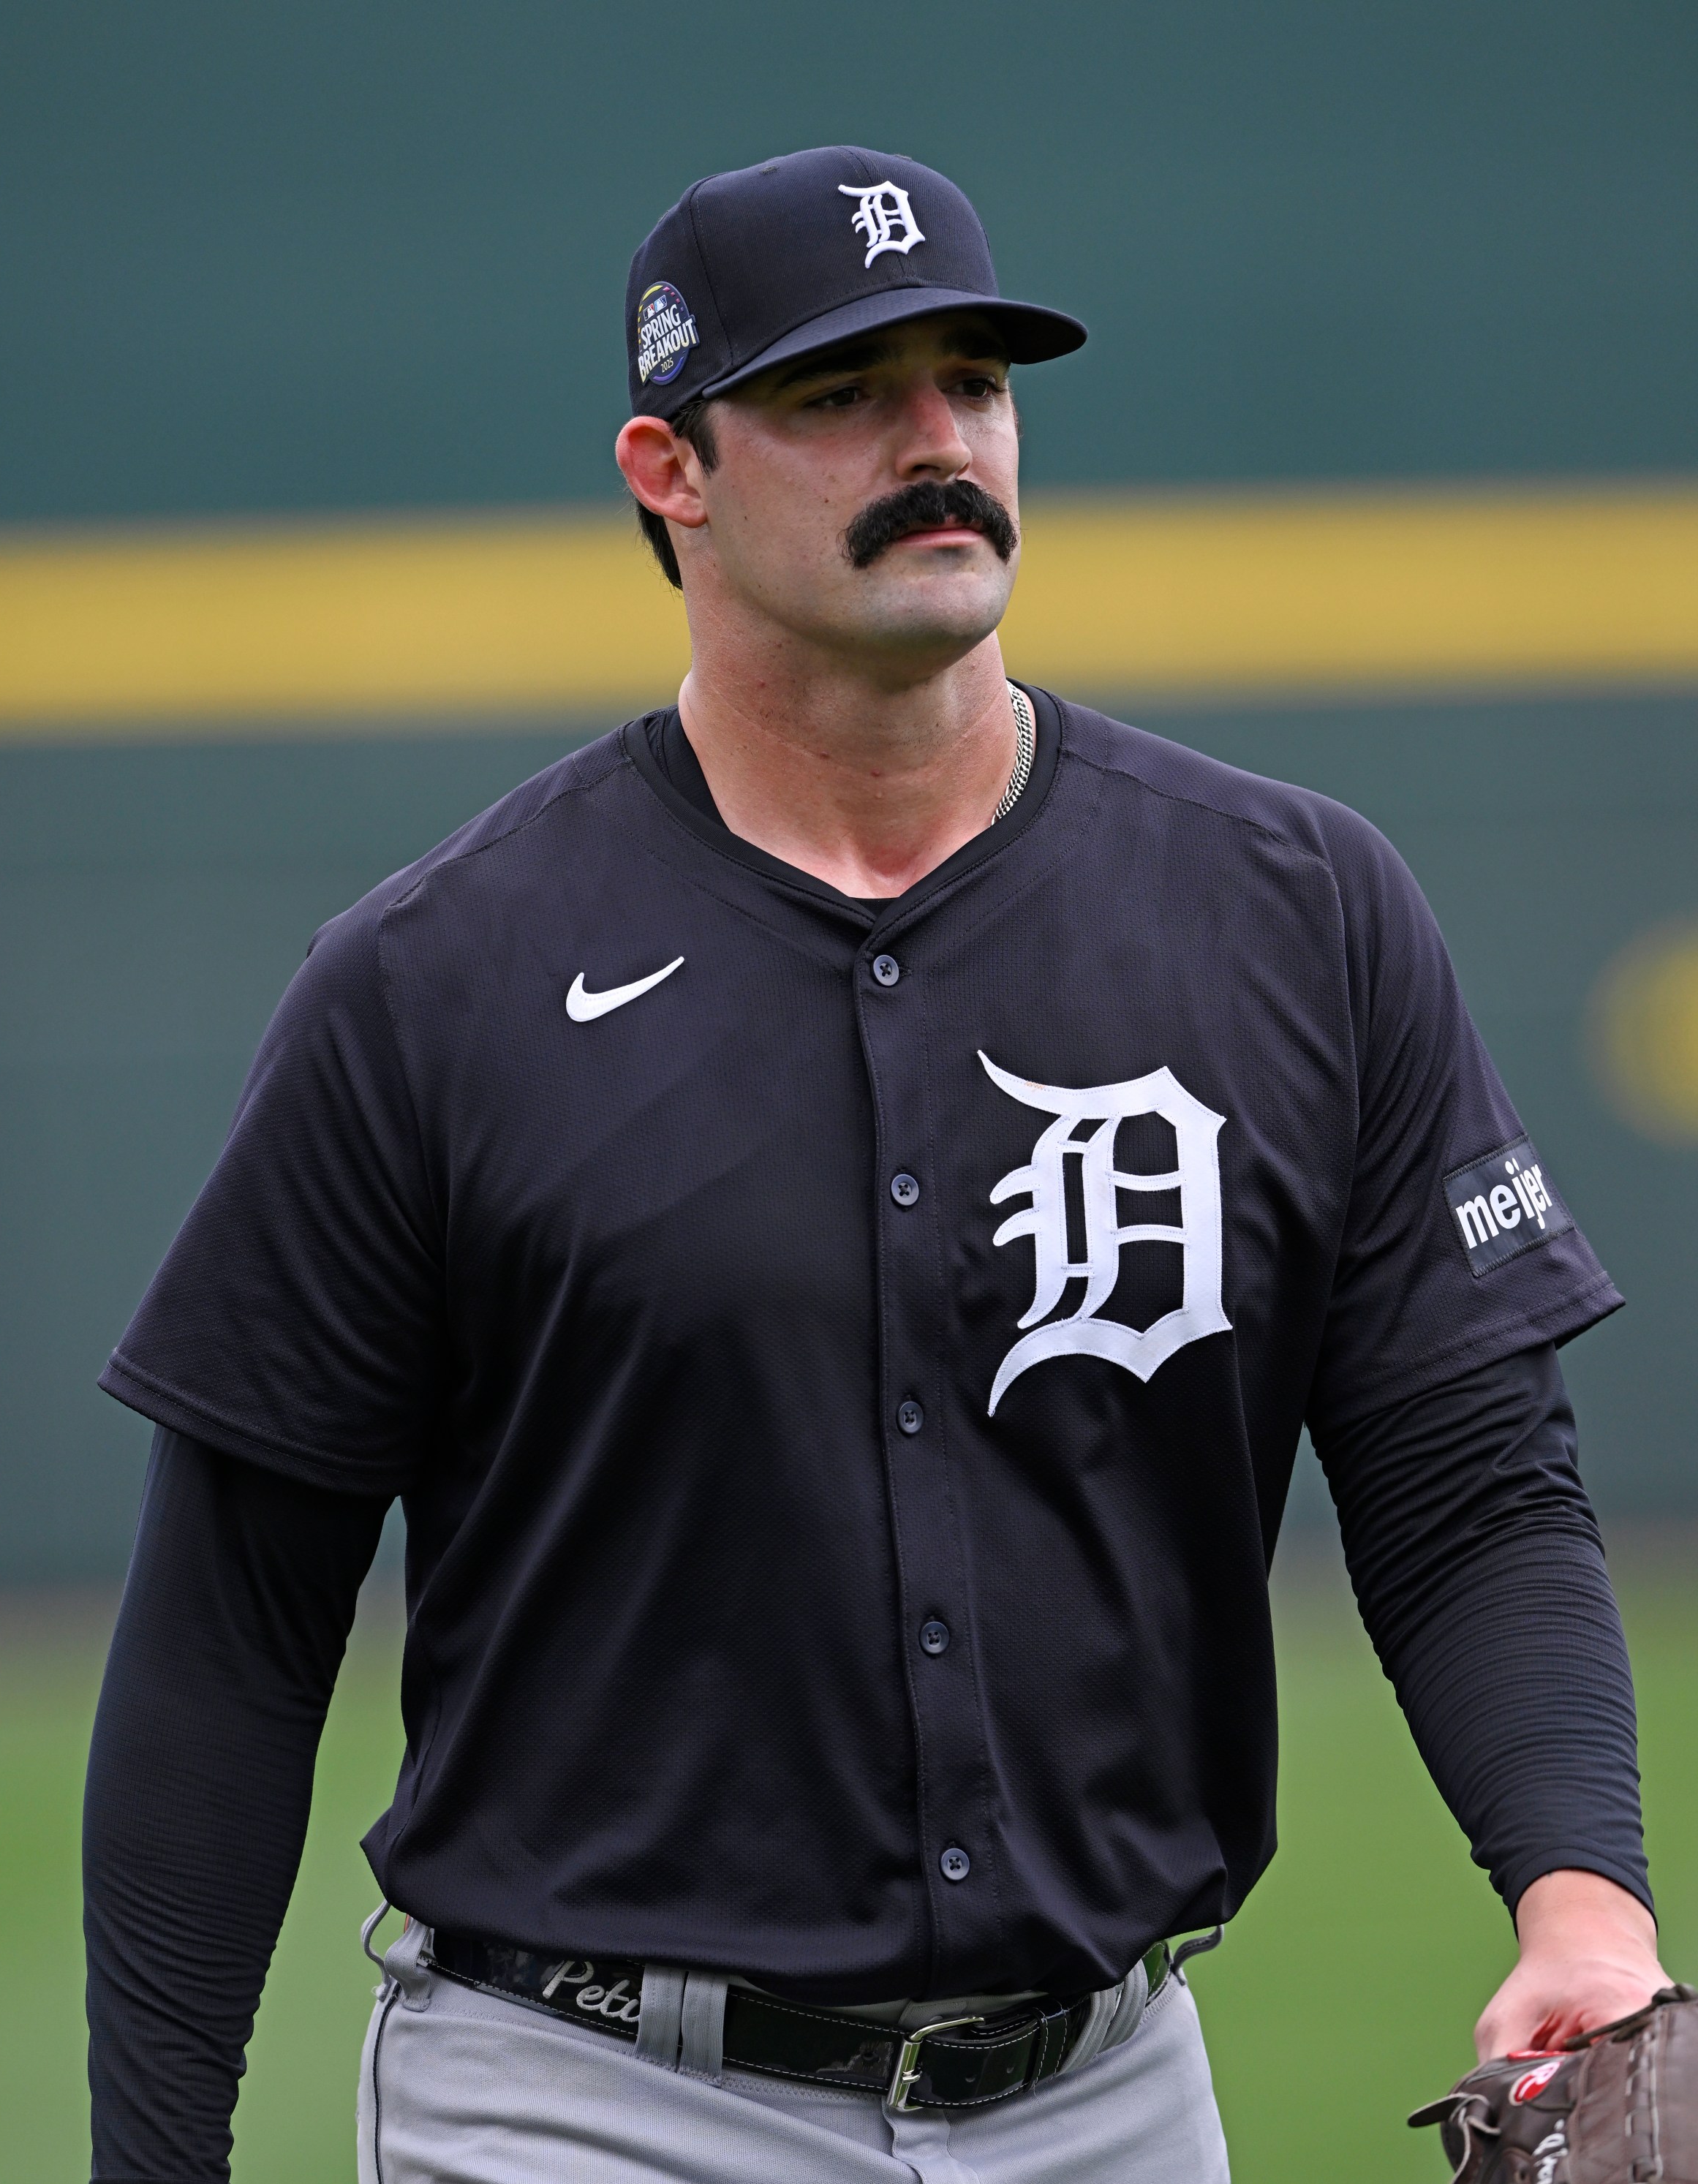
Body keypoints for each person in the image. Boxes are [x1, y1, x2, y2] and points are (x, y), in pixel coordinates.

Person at [83, 147, 1665, 2184]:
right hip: (588, 2103)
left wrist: (1582, 1893)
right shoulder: (435, 981)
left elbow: (1471, 1483)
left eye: (975, 382)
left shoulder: (1296, 910)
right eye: (843, 395)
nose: (938, 441)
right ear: (672, 467)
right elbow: (232, 1627)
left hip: (1109, 2091)